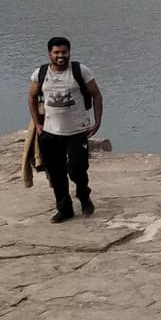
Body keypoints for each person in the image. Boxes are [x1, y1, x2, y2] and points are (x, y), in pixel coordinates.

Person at [28, 36, 103, 223]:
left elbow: (96, 95)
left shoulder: (80, 71)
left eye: (64, 52)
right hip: (50, 133)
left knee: (77, 169)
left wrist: (97, 122)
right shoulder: (41, 73)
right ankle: (64, 208)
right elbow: (31, 97)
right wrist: (37, 124)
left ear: (69, 52)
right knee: (56, 173)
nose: (60, 56)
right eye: (56, 52)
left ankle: (84, 195)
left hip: (77, 131)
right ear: (50, 54)